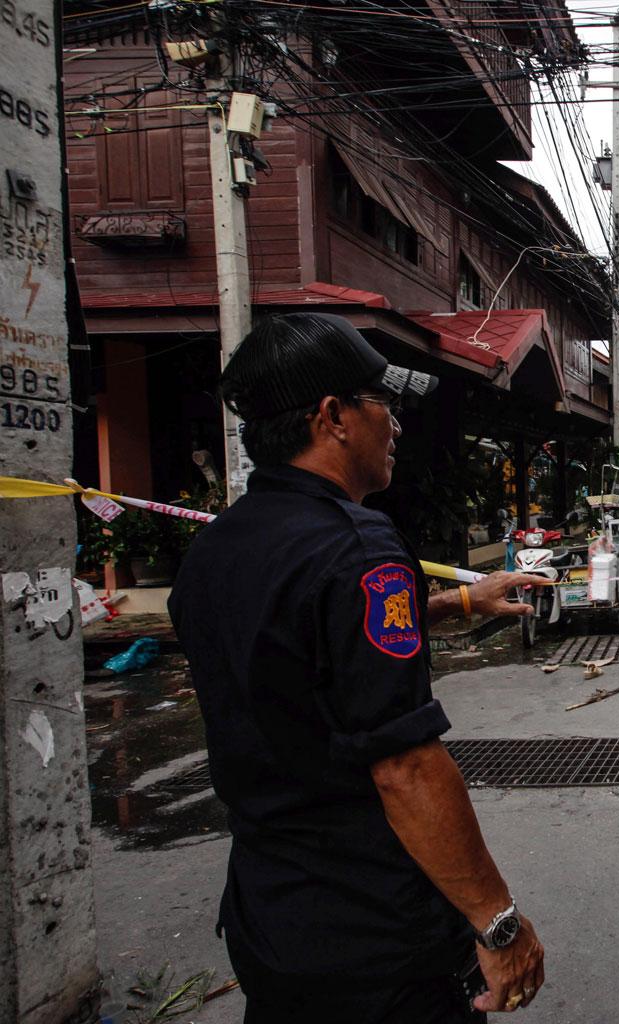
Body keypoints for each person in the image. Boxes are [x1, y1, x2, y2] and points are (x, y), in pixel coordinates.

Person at [169, 313, 549, 1022]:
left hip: (269, 922)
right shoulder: (358, 547)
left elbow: (305, 649)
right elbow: (404, 767)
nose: (397, 425)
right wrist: (498, 922)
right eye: (384, 405)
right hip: (376, 939)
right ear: (333, 416)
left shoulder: (217, 551)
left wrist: (460, 600)